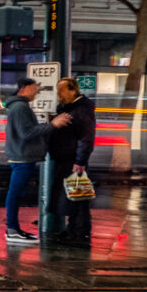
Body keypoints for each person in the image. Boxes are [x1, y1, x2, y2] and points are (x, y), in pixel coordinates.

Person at [3, 77, 71, 244]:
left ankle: (14, 230)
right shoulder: (20, 107)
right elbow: (27, 132)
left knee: (16, 193)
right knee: (15, 194)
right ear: (23, 89)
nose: (37, 92)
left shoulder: (19, 106)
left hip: (22, 156)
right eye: (34, 89)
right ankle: (12, 230)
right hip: (22, 157)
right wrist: (53, 125)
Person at [47, 78, 96, 245]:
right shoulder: (71, 109)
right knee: (73, 196)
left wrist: (80, 160)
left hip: (73, 160)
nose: (59, 93)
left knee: (78, 197)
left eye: (62, 90)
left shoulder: (80, 110)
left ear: (73, 91)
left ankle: (79, 233)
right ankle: (73, 230)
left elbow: (86, 137)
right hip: (67, 158)